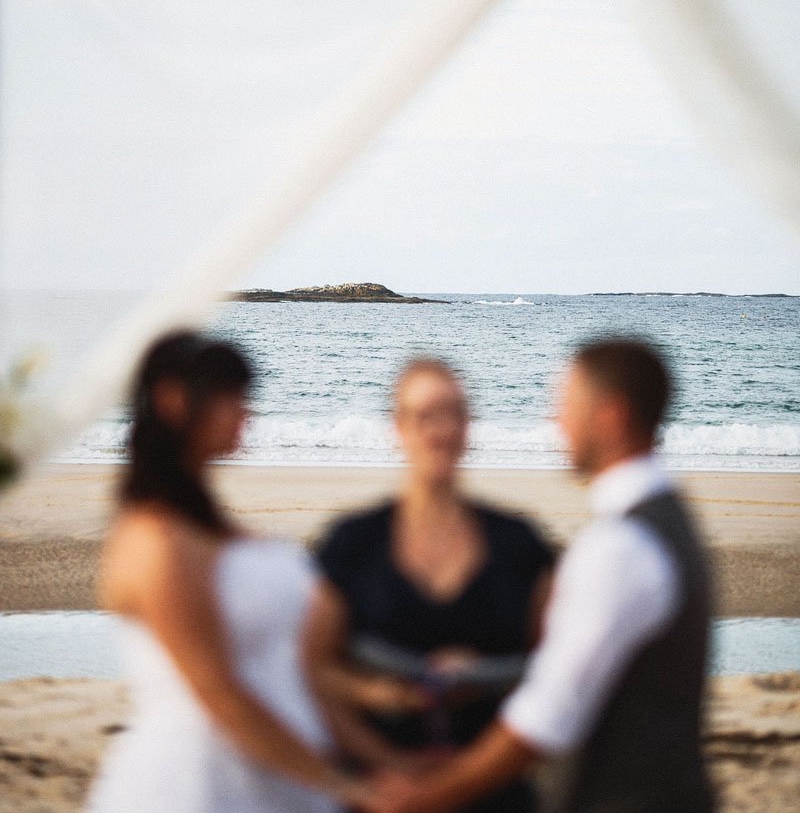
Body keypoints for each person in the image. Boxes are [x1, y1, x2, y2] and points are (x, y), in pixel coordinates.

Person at [370, 337, 715, 813]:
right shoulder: (670, 521)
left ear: (610, 417)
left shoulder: (618, 548)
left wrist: (431, 795)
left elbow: (551, 713)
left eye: (565, 406)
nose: (555, 422)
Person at [87, 330, 372, 813]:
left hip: (275, 770)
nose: (246, 411)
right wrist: (342, 787)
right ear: (174, 401)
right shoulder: (156, 539)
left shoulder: (208, 525)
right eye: (230, 397)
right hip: (198, 784)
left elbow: (285, 662)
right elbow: (218, 693)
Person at [304, 357, 554, 813]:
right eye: (424, 415)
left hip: (495, 792)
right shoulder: (353, 544)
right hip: (382, 793)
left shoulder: (520, 544)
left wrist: (485, 679)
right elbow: (313, 668)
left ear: (468, 425)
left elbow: (556, 673)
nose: (440, 429)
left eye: (454, 413)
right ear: (397, 428)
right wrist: (386, 700)